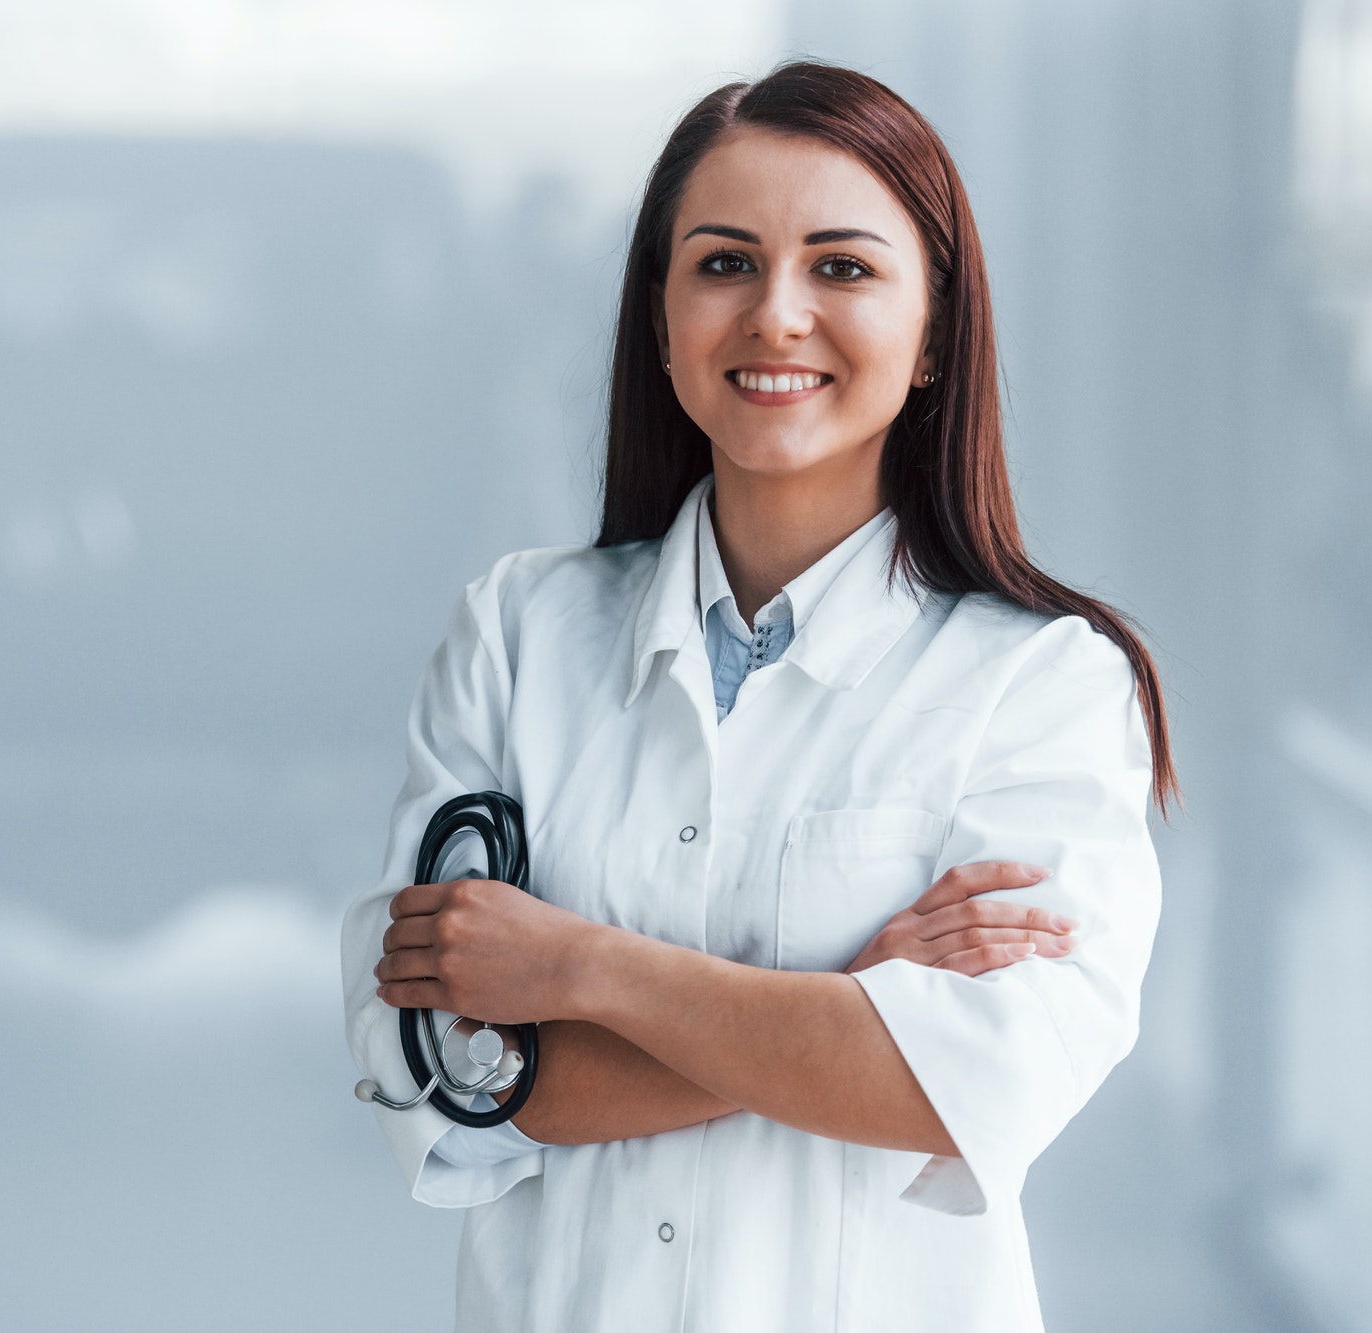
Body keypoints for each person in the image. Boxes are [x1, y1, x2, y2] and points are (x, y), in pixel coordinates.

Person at [339, 61, 1172, 1333]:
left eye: (841, 267)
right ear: (661, 316)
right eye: (723, 264)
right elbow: (464, 1077)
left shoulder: (1042, 682)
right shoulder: (516, 632)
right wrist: (849, 993)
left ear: (935, 329)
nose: (775, 314)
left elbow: (959, 1091)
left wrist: (576, 966)